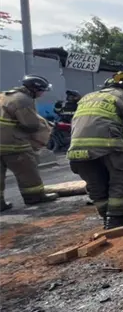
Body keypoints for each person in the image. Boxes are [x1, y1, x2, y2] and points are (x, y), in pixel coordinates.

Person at [68, 71, 123, 228]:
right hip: (108, 145)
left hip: (77, 149)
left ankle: (106, 216)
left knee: (96, 183)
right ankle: (115, 219)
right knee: (121, 180)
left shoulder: (88, 97)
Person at [0, 75, 59, 211]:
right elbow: (30, 124)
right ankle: (34, 197)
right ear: (35, 89)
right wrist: (43, 126)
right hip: (12, 142)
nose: (42, 94)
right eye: (42, 90)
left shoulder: (4, 95)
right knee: (27, 170)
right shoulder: (23, 99)